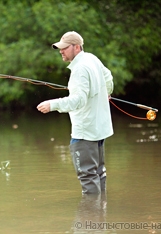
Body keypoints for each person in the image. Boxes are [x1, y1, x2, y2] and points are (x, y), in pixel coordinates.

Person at [37, 31, 114, 194]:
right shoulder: (92, 58)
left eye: (64, 48)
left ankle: (90, 216)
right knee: (99, 174)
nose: (61, 51)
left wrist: (53, 104)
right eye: (60, 47)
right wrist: (106, 92)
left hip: (85, 132)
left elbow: (79, 100)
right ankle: (100, 213)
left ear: (77, 47)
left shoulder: (80, 68)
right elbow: (108, 77)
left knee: (87, 177)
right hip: (99, 130)